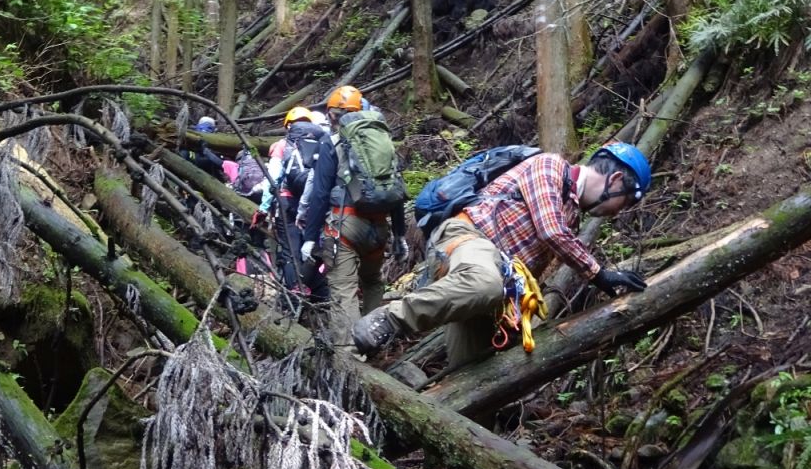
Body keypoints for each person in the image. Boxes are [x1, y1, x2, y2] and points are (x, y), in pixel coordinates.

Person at [352, 142, 651, 367]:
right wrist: (600, 275)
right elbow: (551, 231)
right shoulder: (550, 166)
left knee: (476, 372)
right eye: (623, 204)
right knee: (486, 283)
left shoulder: (570, 213)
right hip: (469, 239)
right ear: (613, 182)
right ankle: (389, 320)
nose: (616, 213)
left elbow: (533, 263)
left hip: (497, 280)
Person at [300, 85, 408, 347]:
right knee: (372, 283)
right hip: (379, 226)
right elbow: (393, 185)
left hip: (345, 227)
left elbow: (320, 193)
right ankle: (377, 343)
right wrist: (400, 234)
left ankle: (351, 354)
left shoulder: (331, 142)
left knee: (343, 289)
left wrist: (310, 238)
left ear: (333, 115)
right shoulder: (381, 138)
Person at [254, 107, 330, 305]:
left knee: (291, 250)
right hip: (315, 203)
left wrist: (263, 208)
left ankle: (295, 293)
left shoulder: (281, 145)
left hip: (287, 202)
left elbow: (273, 178)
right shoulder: (322, 142)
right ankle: (320, 292)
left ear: (288, 125)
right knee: (313, 246)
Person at [181, 116, 228, 182]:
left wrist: (205, 150)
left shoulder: (213, 147)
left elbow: (221, 165)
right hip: (192, 176)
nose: (204, 130)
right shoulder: (187, 145)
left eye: (208, 128)